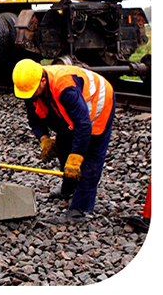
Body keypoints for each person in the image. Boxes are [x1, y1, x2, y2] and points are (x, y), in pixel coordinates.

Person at [12, 59, 115, 223]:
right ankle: (68, 188)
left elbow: (83, 126)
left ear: (43, 81)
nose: (29, 97)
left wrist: (76, 157)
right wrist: (44, 139)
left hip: (98, 103)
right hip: (74, 110)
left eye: (32, 93)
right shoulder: (30, 85)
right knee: (63, 146)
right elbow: (34, 118)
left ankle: (81, 209)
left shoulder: (64, 88)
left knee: (90, 159)